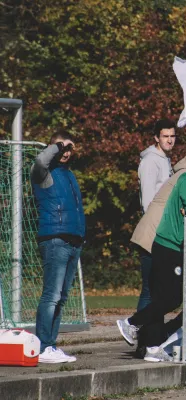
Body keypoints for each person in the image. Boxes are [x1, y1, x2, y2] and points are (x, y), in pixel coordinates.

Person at [117, 149, 186, 362]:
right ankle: (131, 323)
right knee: (172, 297)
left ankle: (153, 346)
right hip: (168, 246)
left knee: (168, 297)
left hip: (178, 247)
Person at [31, 132, 85, 363]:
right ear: (53, 147)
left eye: (69, 148)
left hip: (73, 241)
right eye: (62, 148)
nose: (66, 152)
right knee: (51, 295)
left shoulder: (69, 174)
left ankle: (50, 346)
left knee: (61, 297)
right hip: (55, 240)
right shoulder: (43, 173)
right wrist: (58, 145)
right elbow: (40, 160)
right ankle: (43, 346)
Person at [138, 119, 176, 214]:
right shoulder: (150, 161)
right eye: (165, 136)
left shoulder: (165, 158)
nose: (170, 140)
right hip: (157, 223)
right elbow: (147, 201)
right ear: (156, 138)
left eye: (172, 136)